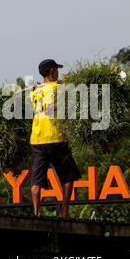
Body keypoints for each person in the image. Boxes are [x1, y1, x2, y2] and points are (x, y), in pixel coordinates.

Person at [29, 59, 81, 218]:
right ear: (52, 71)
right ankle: (64, 212)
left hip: (37, 140)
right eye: (56, 69)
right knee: (68, 176)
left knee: (36, 182)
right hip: (56, 137)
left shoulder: (35, 91)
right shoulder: (58, 89)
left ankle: (36, 213)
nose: (57, 72)